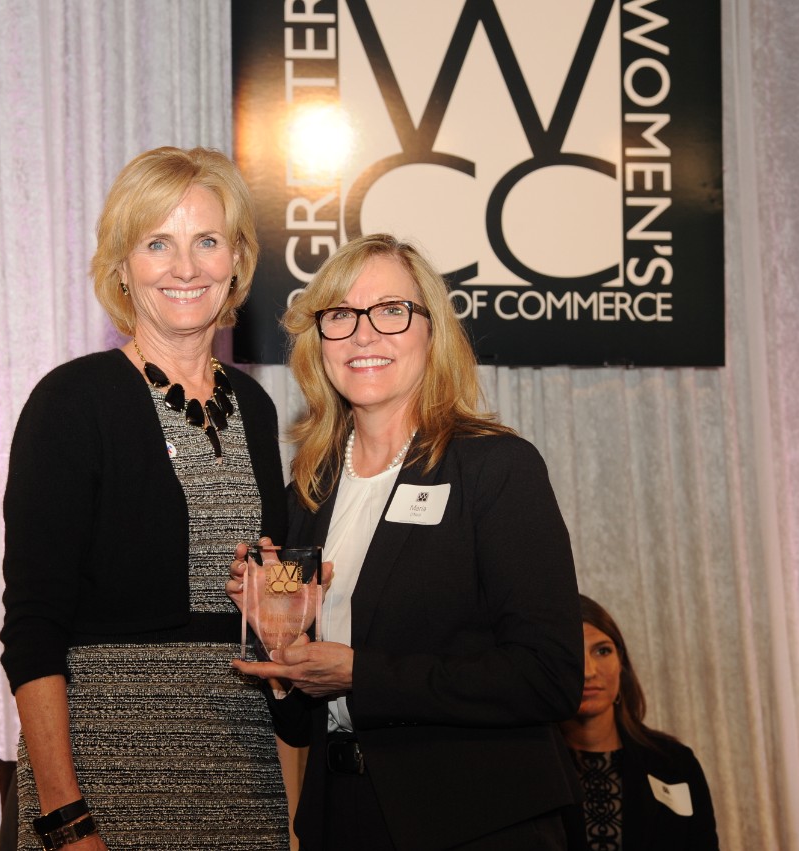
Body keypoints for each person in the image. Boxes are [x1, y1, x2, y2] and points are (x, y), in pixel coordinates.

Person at [230, 233, 584, 850]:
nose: (364, 335)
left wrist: (363, 675)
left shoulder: (495, 468)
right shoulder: (306, 495)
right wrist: (277, 642)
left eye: (391, 311)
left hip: (481, 823)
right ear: (320, 343)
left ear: (432, 332)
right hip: (341, 819)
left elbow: (549, 676)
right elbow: (295, 713)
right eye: (340, 315)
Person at [0, 146, 291, 851]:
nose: (186, 267)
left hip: (244, 781)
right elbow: (32, 625)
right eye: (158, 243)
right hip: (107, 781)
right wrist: (67, 817)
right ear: (123, 266)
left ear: (236, 261)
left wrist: (285, 605)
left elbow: (270, 605)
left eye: (207, 241)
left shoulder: (255, 406)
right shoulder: (71, 401)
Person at [559, 595, 721, 850]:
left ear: (622, 664)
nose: (589, 671)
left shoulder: (674, 763)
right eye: (572, 655)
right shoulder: (532, 770)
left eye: (602, 651)